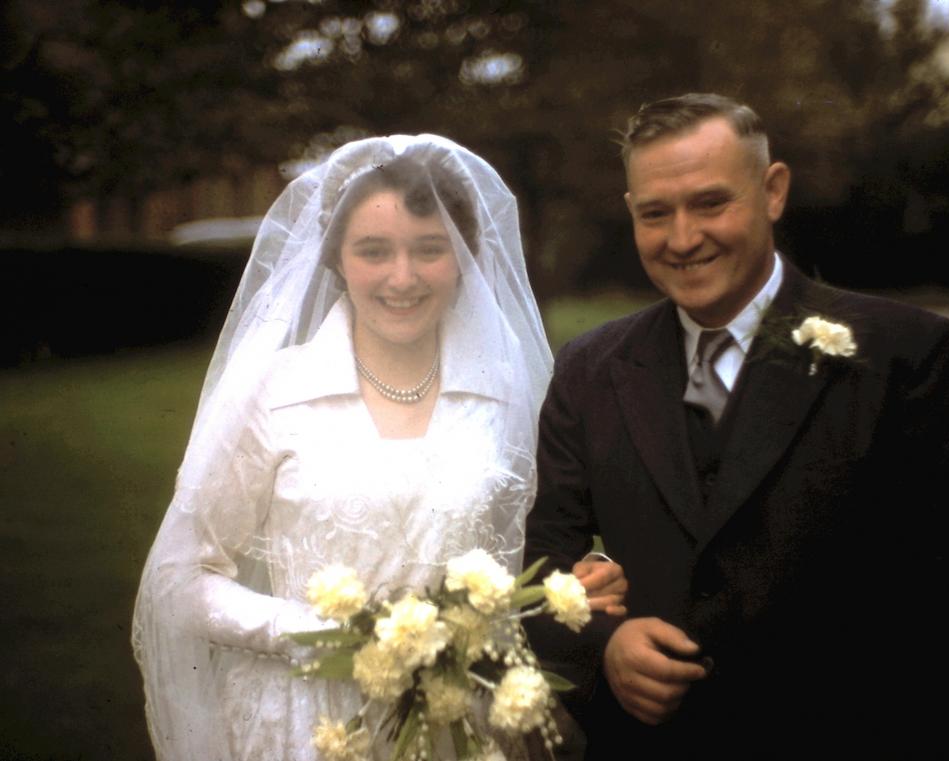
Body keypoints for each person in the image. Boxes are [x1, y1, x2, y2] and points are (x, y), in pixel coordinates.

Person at [523, 94, 949, 758]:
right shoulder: (588, 368)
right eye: (655, 213)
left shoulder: (903, 353)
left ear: (773, 191)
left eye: (711, 203)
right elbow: (544, 566)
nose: (683, 238)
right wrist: (605, 647)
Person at [132, 134, 623, 761]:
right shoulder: (276, 392)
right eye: (373, 250)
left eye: (429, 250)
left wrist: (574, 585)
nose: (403, 277)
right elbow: (181, 578)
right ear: (335, 255)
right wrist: (328, 634)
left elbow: (530, 551)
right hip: (303, 726)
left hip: (460, 721)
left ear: (464, 255)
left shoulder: (506, 393)